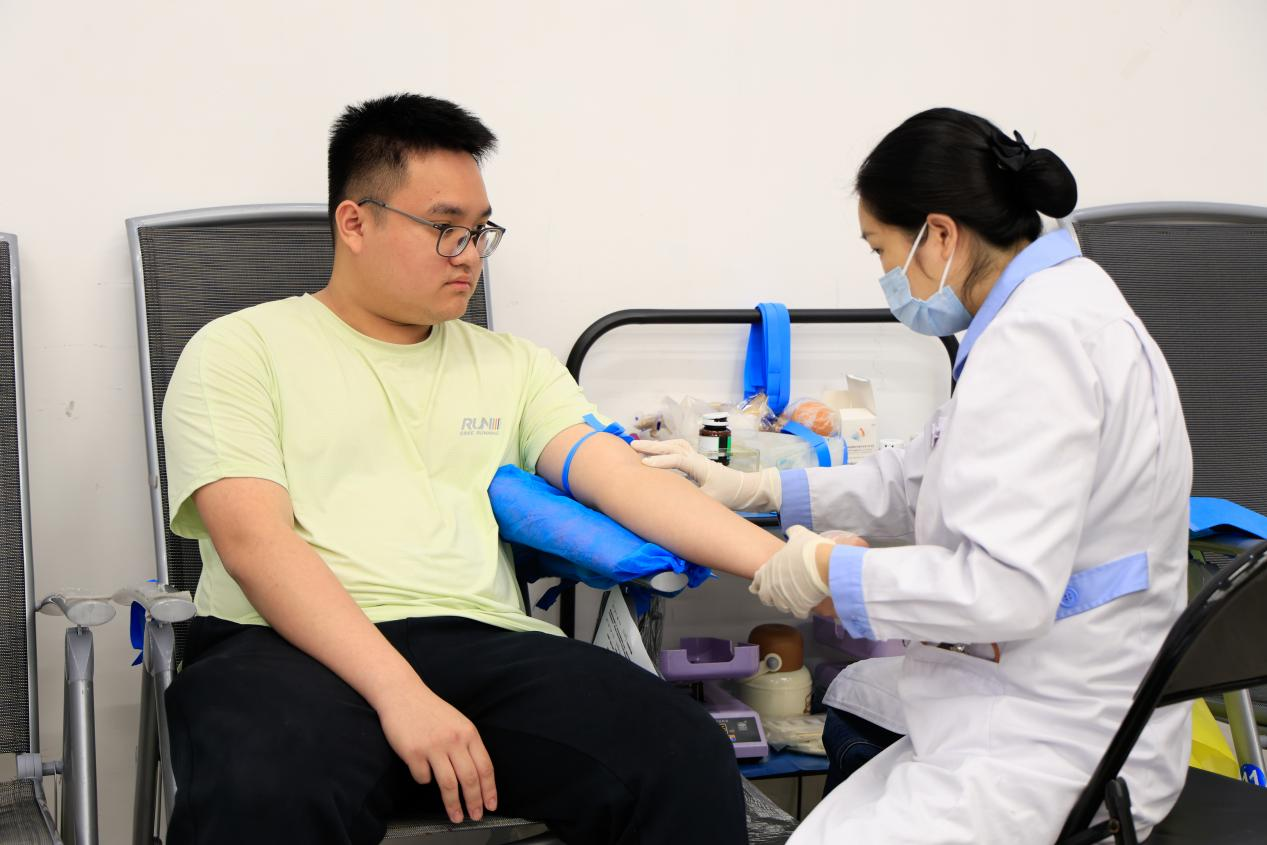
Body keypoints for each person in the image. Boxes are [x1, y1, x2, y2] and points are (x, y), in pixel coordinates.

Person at [160, 93, 784, 845]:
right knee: (267, 787)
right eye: (444, 228)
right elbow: (255, 544)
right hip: (280, 643)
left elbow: (625, 482)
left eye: (480, 231)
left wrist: (799, 569)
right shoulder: (239, 350)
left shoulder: (512, 366)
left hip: (478, 640)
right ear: (354, 222)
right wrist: (400, 693)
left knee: (681, 753)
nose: (469, 255)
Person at [634, 107, 1192, 843]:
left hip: (1060, 735)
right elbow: (918, 477)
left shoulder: (1038, 342)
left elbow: (1005, 588)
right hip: (1056, 689)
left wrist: (832, 574)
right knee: (854, 697)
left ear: (939, 235)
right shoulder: (1053, 305)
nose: (883, 275)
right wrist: (760, 489)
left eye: (880, 249)